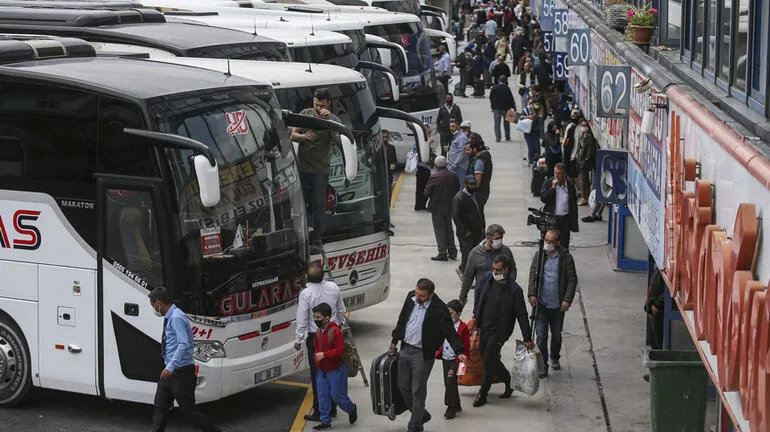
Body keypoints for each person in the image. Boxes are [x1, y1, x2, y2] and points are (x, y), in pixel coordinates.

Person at [389, 279, 468, 432]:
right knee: (402, 386)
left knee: (417, 390)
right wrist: (395, 340)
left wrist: (460, 351)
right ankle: (421, 415)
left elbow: (449, 331)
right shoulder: (411, 297)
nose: (418, 296)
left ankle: (415, 426)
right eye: (417, 293)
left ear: (431, 295)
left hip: (422, 354)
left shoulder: (439, 309)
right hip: (405, 349)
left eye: (422, 295)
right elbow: (402, 319)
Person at [149, 287, 221, 432]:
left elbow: (184, 344)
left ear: (158, 303)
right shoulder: (171, 317)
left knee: (190, 413)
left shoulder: (177, 317)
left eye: (153, 305)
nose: (154, 309)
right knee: (160, 408)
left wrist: (171, 366)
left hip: (181, 373)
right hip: (169, 371)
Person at [472, 255, 534, 407]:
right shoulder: (488, 279)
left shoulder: (514, 291)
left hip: (499, 331)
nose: (495, 272)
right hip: (484, 327)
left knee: (488, 361)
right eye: (493, 268)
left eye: (498, 269)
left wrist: (527, 337)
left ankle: (483, 394)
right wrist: (476, 317)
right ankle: (507, 380)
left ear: (506, 270)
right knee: (487, 357)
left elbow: (521, 314)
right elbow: (479, 297)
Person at [295, 262, 347, 422]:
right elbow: (341, 310)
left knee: (319, 376)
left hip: (316, 338)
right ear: (323, 275)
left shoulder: (306, 293)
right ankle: (333, 408)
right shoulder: (333, 287)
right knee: (333, 371)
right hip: (333, 334)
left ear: (306, 277)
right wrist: (339, 326)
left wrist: (298, 339)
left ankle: (320, 411)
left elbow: (302, 319)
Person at [291, 88, 341, 252]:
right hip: (303, 166)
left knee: (319, 203)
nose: (318, 108)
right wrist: (305, 137)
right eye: (316, 104)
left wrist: (329, 122)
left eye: (321, 105)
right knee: (301, 202)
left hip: (321, 169)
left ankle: (317, 238)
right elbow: (293, 135)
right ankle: (300, 234)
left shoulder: (333, 119)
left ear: (328, 103)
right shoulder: (306, 113)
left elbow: (338, 138)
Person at [527, 228, 577, 378]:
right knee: (541, 336)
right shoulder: (540, 255)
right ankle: (543, 365)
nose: (547, 244)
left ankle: (555, 356)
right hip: (542, 304)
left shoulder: (566, 258)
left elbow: (572, 280)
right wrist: (532, 293)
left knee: (556, 335)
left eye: (550, 241)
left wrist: (567, 300)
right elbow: (532, 274)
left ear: (557, 243)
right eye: (546, 240)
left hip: (557, 306)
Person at [311, 302, 358, 430]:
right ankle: (325, 421)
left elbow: (340, 350)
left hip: (336, 370)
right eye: (314, 317)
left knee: (338, 396)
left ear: (327, 318)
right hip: (322, 371)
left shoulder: (335, 331)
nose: (316, 320)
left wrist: (324, 355)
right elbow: (316, 348)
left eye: (318, 317)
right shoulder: (317, 332)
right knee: (323, 396)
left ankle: (351, 408)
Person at [459, 224, 514, 309]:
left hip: (502, 294)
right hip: (482, 296)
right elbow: (468, 276)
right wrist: (462, 297)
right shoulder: (475, 253)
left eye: (501, 238)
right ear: (488, 238)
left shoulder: (506, 251)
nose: (500, 241)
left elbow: (512, 270)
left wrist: (510, 286)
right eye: (497, 239)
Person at [435, 299, 471, 419]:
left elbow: (466, 345)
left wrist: (464, 362)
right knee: (449, 383)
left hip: (457, 360)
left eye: (451, 313)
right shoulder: (443, 324)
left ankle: (450, 406)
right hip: (446, 358)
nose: (448, 315)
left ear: (459, 314)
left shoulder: (462, 327)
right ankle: (457, 403)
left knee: (451, 380)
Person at [425, 155, 460, 261]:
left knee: (440, 230)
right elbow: (457, 188)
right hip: (450, 207)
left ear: (436, 165)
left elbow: (426, 192)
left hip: (437, 208)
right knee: (449, 229)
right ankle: (452, 251)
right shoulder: (453, 175)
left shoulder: (434, 177)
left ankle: (442, 252)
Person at [540, 163, 579, 249]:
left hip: (565, 220)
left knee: (564, 246)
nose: (556, 176)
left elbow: (573, 204)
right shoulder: (548, 183)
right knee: (550, 246)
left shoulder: (569, 185)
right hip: (552, 219)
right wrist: (553, 188)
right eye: (555, 173)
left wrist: (574, 222)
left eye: (559, 173)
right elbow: (543, 198)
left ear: (564, 174)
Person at [452, 175, 485, 275]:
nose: (473, 186)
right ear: (466, 185)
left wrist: (482, 225)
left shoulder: (476, 194)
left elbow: (480, 211)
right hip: (467, 232)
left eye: (474, 184)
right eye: (471, 184)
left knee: (476, 253)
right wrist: (464, 231)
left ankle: (466, 271)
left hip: (477, 230)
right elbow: (456, 216)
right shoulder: (459, 198)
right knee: (467, 254)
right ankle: (465, 273)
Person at [466, 137, 493, 212]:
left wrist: (471, 191)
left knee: (477, 213)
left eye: (468, 150)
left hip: (479, 193)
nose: (466, 152)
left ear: (474, 149)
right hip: (482, 191)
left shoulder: (479, 161)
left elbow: (477, 181)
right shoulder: (480, 158)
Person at [574, 119, 597, 205]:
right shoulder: (584, 135)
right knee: (584, 179)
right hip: (582, 161)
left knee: (583, 179)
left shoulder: (589, 137)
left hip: (585, 162)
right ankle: (584, 196)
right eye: (582, 125)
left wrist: (582, 159)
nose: (583, 128)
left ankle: (584, 197)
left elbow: (588, 151)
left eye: (585, 126)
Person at [488, 75, 516, 142]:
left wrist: (493, 106)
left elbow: (491, 97)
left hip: (497, 108)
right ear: (505, 81)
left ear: (498, 80)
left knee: (497, 123)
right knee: (506, 123)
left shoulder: (494, 87)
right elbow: (510, 98)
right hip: (506, 108)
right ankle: (507, 136)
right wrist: (513, 107)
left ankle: (498, 138)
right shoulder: (507, 88)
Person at [414, 124, 435, 211]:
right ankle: (419, 205)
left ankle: (421, 204)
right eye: (428, 132)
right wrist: (428, 143)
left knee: (424, 187)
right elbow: (418, 151)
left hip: (426, 167)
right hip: (422, 167)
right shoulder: (421, 141)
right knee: (421, 187)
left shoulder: (424, 140)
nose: (430, 134)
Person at [520, 95, 545, 166]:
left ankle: (536, 160)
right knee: (531, 147)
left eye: (539, 104)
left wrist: (542, 134)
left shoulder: (541, 109)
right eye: (536, 104)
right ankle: (531, 161)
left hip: (536, 132)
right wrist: (528, 117)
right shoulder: (527, 110)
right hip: (528, 132)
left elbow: (541, 122)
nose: (538, 105)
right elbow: (521, 118)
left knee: (537, 147)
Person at [645, 269, 666, 350]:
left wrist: (657, 304)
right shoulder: (659, 269)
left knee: (659, 341)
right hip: (654, 309)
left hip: (660, 310)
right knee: (654, 339)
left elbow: (671, 289)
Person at [562, 108, 585, 180]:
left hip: (575, 157)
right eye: (573, 116)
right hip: (567, 155)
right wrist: (564, 150)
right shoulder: (569, 126)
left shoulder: (581, 129)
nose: (574, 118)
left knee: (575, 176)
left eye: (575, 116)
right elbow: (566, 140)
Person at [447, 120, 470, 187]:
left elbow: (462, 152)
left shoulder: (461, 137)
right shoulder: (456, 136)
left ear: (458, 126)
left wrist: (454, 164)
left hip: (459, 167)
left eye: (453, 126)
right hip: (454, 166)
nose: (451, 128)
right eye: (450, 126)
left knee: (460, 186)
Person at [383, 129, 398, 200]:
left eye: (386, 137)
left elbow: (395, 160)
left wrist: (394, 165)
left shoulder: (391, 148)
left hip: (389, 174)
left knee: (389, 194)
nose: (384, 139)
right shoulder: (376, 148)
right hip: (379, 175)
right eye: (383, 137)